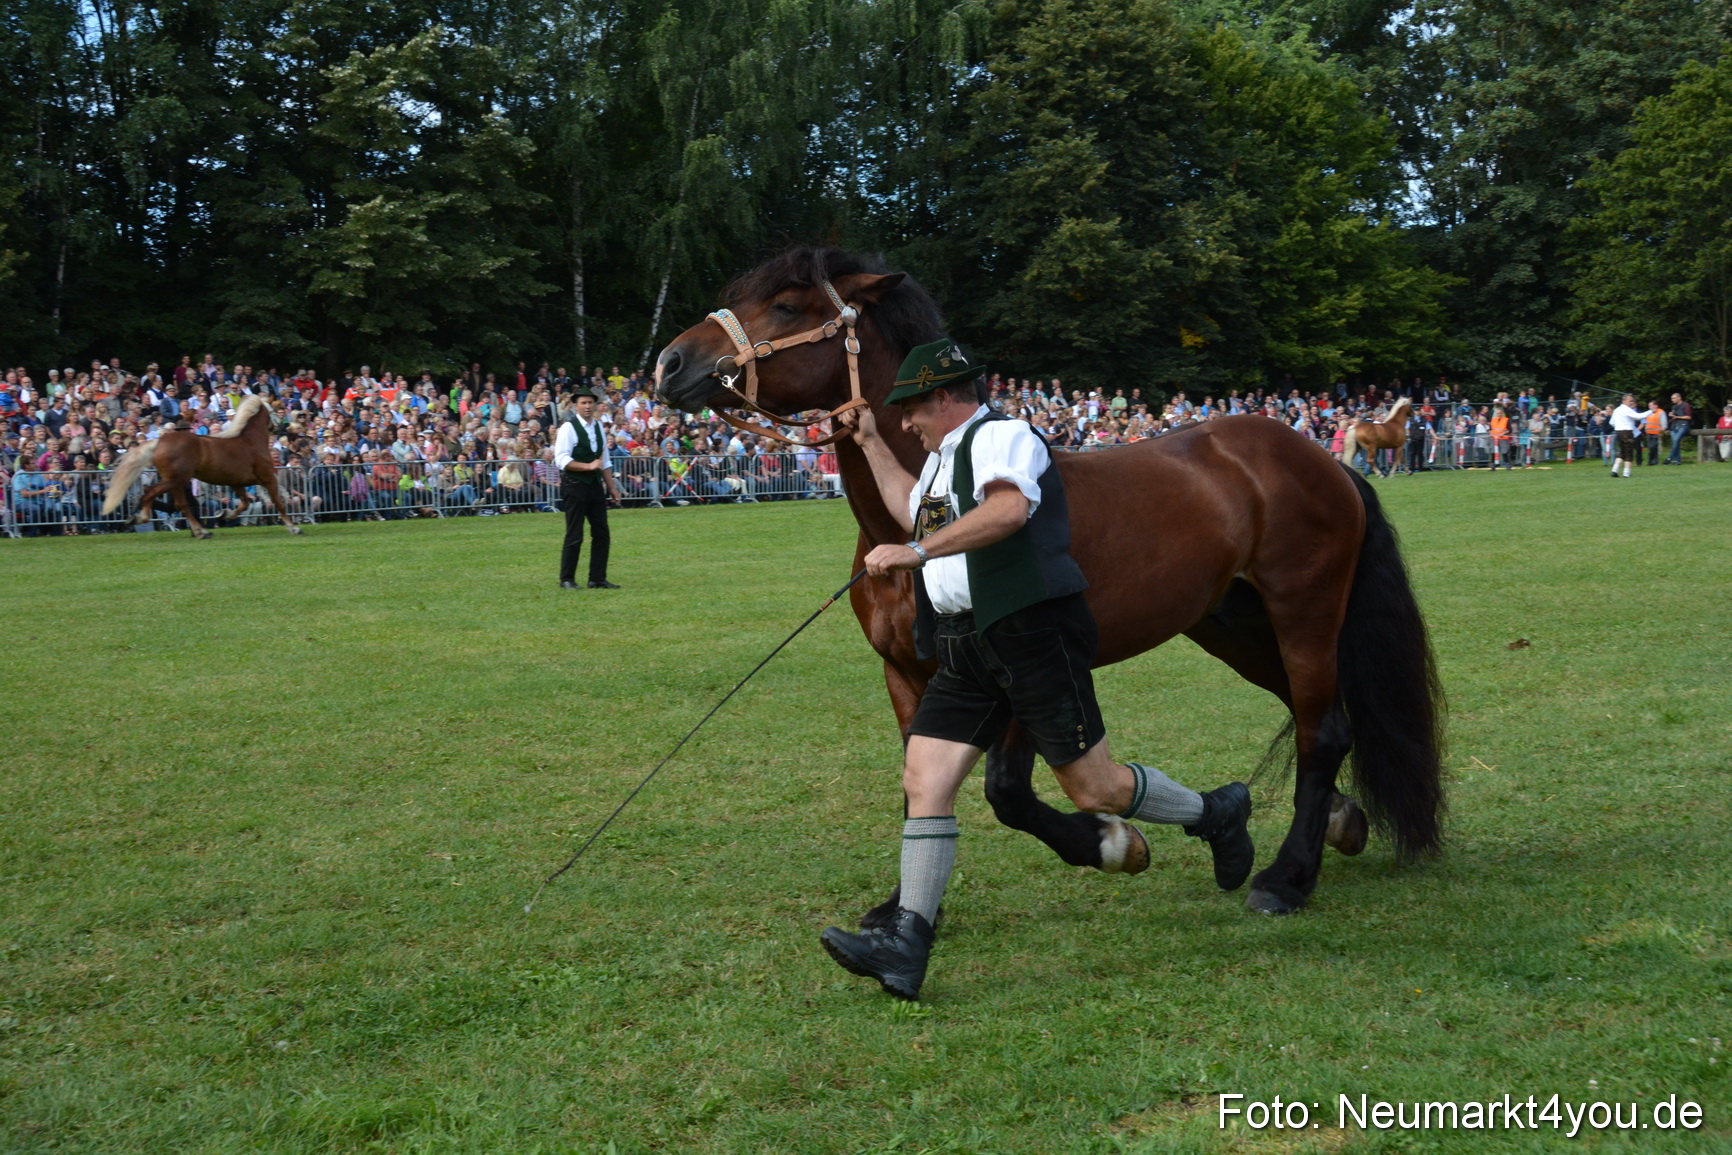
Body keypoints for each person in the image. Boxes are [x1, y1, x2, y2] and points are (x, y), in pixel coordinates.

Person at [818, 339, 1253, 1001]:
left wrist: (916, 551)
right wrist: (873, 443)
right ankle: (906, 944)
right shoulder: (940, 461)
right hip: (966, 642)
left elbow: (1008, 510)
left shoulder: (1004, 438)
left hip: (1030, 631)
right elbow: (914, 508)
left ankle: (1212, 812)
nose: (906, 421)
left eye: (910, 408)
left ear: (944, 396)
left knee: (1097, 790)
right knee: (925, 775)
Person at [554, 386, 621, 589]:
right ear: (575, 405)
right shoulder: (568, 428)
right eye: (583, 403)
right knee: (575, 534)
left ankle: (597, 578)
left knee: (601, 533)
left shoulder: (598, 427)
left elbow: (605, 461)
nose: (587, 406)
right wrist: (588, 466)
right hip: (574, 486)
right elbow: (562, 459)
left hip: (594, 486)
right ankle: (567, 578)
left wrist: (612, 488)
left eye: (590, 402)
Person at [1609, 394, 1642, 478]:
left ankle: (1614, 470)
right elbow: (1638, 416)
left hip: (1619, 432)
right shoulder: (1626, 409)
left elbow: (1611, 422)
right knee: (1629, 452)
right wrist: (1651, 412)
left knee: (1622, 452)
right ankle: (1626, 473)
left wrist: (1618, 426)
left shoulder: (1617, 410)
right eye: (1630, 400)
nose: (1631, 402)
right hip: (1627, 432)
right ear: (1624, 401)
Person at [1666, 393, 1692, 465]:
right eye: (1672, 398)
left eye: (1673, 398)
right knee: (1675, 442)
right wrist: (1671, 415)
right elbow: (1673, 417)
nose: (1672, 400)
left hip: (1683, 425)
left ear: (1679, 398)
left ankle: (1670, 458)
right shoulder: (1674, 407)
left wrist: (1678, 417)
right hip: (1674, 426)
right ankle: (1677, 461)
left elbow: (1689, 417)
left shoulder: (1686, 405)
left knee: (1676, 440)